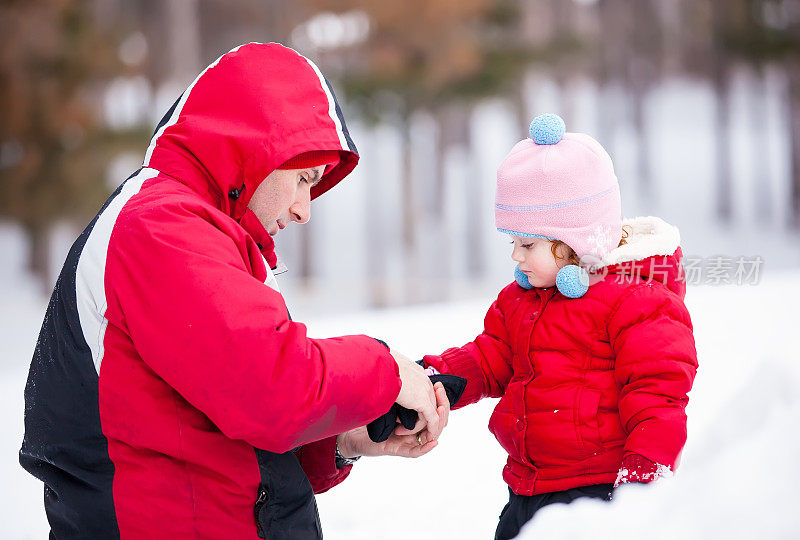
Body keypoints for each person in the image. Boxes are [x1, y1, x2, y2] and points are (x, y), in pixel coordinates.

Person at [19, 42, 449, 539]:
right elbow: (268, 385)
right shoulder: (161, 229)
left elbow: (211, 427)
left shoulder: (191, 229)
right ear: (257, 148)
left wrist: (339, 442)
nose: (304, 209)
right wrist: (385, 368)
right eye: (304, 178)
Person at [419, 114, 698, 539]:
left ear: (573, 242)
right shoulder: (521, 300)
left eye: (527, 244)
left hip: (598, 495)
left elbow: (657, 396)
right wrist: (434, 381)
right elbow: (492, 356)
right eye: (512, 242)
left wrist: (642, 480)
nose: (515, 255)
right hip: (526, 489)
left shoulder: (636, 301)